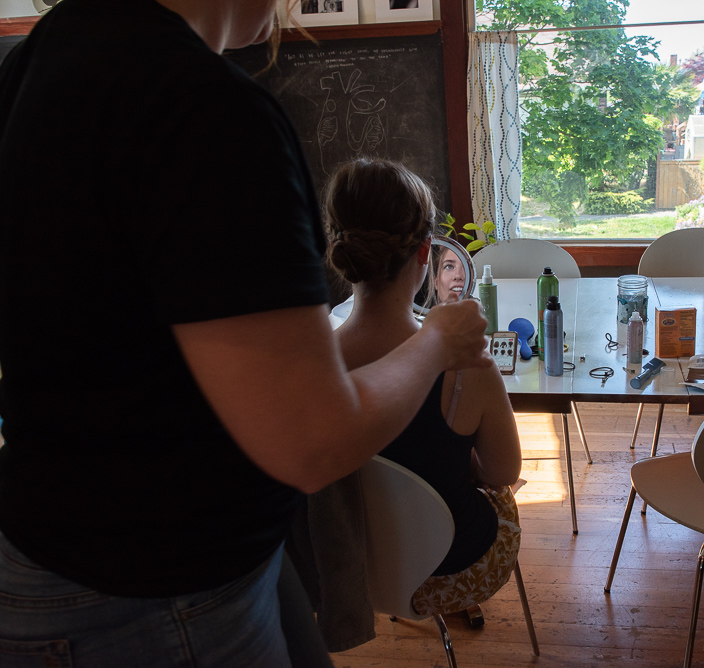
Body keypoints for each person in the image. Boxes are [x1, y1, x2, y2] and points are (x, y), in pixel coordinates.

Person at [0, 1, 489, 666]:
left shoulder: (38, 60)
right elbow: (313, 442)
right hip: (155, 593)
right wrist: (437, 342)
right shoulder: (203, 109)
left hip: (72, 544)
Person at [324, 158, 522, 616]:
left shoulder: (314, 372)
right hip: (455, 566)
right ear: (424, 253)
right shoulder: (468, 364)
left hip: (353, 570)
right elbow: (503, 471)